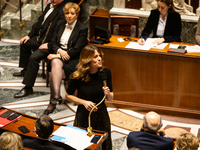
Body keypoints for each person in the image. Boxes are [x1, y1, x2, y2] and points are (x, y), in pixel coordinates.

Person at [13, 0, 71, 98]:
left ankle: (28, 88)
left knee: (33, 57)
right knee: (24, 43)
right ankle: (26, 70)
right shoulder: (49, 6)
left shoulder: (63, 10)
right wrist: (29, 36)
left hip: (51, 44)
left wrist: (49, 45)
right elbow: (39, 22)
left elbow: (60, 32)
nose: (52, 0)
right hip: (40, 39)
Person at [65, 45, 113, 150]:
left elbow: (110, 98)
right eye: (95, 57)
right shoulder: (77, 76)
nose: (99, 59)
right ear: (87, 59)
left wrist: (108, 93)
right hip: (84, 114)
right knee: (82, 143)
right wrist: (84, 102)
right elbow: (68, 95)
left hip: (101, 114)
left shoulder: (106, 73)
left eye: (99, 56)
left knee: (104, 143)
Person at [43, 2, 88, 115]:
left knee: (54, 70)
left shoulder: (82, 29)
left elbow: (77, 50)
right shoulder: (60, 24)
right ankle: (57, 96)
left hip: (72, 59)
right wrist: (59, 51)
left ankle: (53, 101)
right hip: (59, 56)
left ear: (77, 14)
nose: (69, 16)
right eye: (67, 13)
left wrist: (58, 55)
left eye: (72, 13)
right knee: (55, 64)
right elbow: (53, 43)